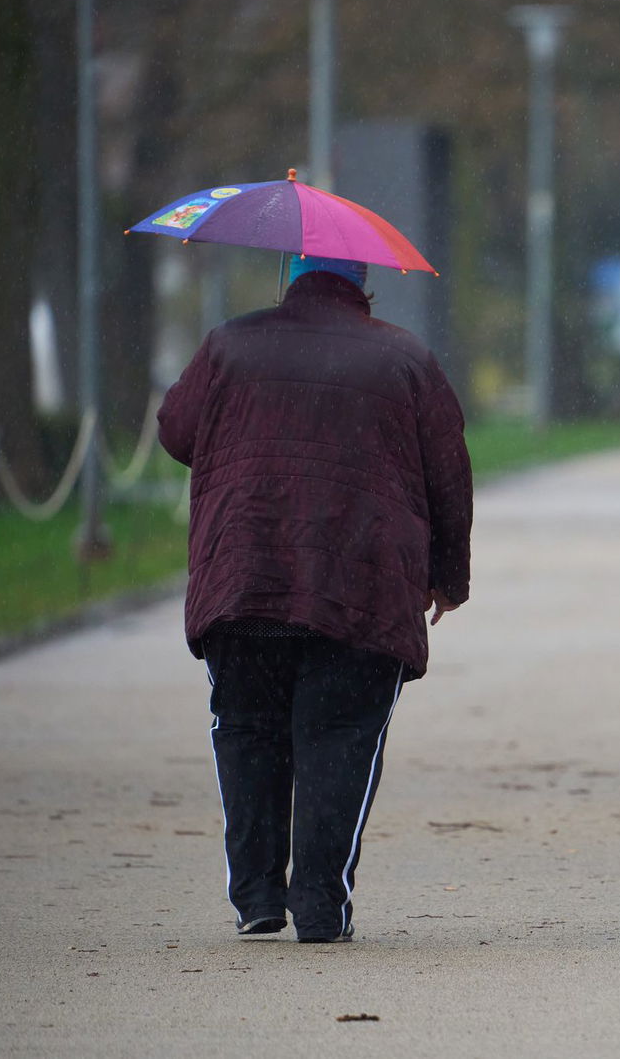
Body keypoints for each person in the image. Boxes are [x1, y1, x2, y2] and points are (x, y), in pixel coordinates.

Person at [157, 254, 473, 943]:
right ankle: (321, 905)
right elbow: (448, 472)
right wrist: (447, 576)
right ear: (362, 284)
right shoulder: (405, 358)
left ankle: (258, 896)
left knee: (247, 734)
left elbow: (176, 433)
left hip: (242, 578)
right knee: (342, 738)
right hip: (360, 588)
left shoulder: (229, 345)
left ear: (288, 279)